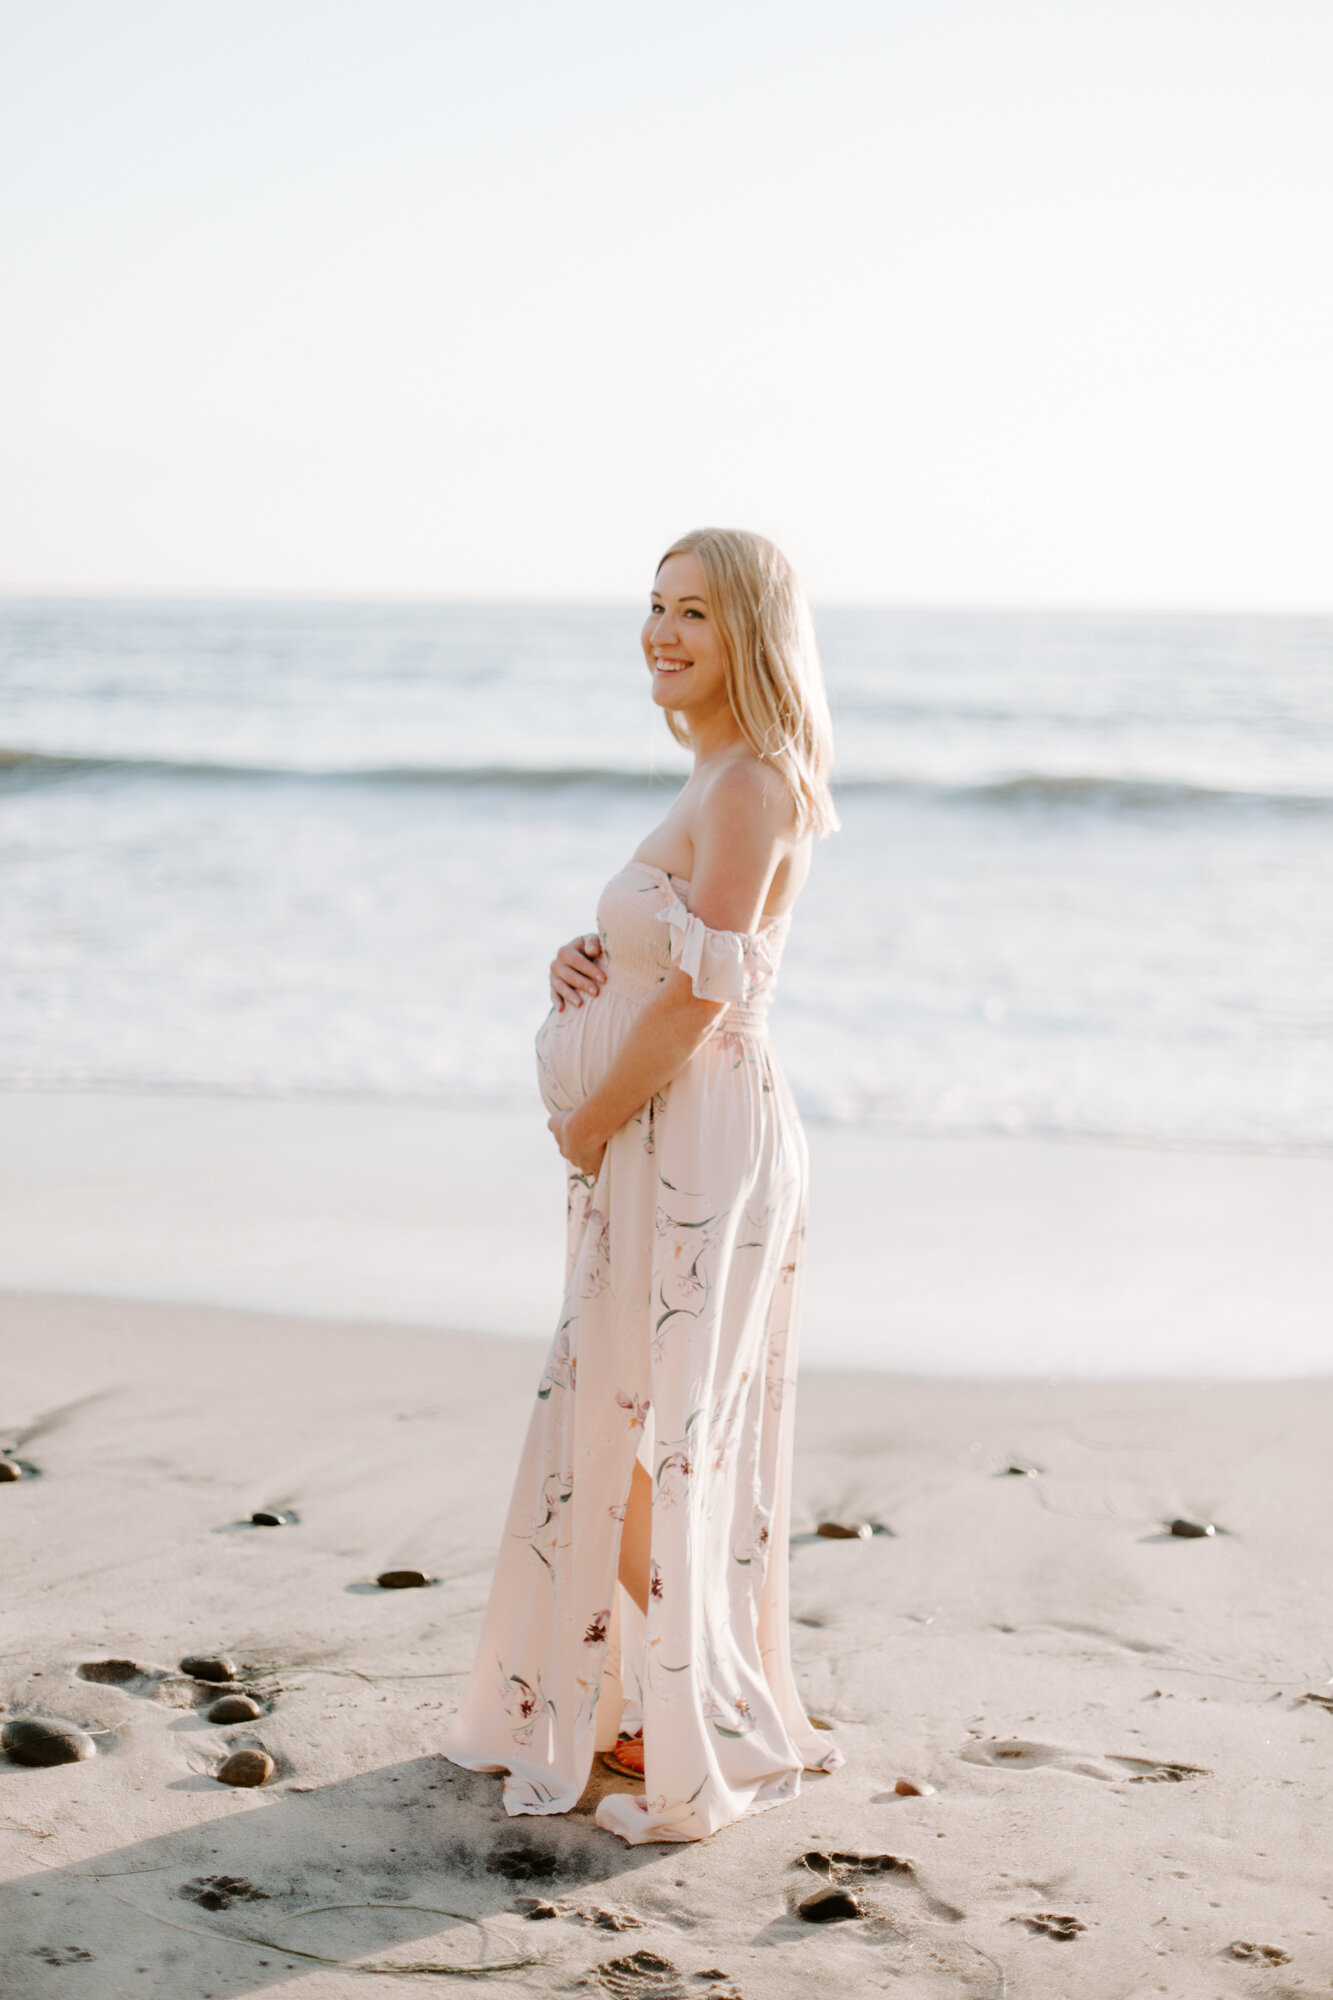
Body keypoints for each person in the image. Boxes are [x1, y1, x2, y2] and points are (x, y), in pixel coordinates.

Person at [442, 526, 842, 1844]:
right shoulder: (721, 774)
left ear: (750, 637)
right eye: (654, 605)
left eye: (695, 613)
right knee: (630, 1415)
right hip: (659, 1132)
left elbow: (709, 998)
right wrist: (588, 959)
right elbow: (678, 956)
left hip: (687, 1141)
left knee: (653, 1430)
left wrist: (592, 1116)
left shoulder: (749, 785)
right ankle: (662, 1704)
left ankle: (688, 1723)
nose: (661, 633)